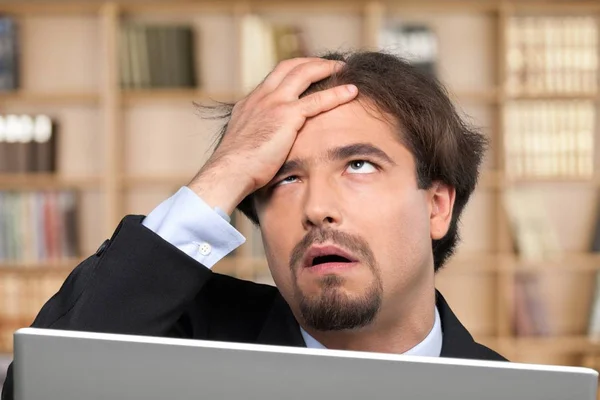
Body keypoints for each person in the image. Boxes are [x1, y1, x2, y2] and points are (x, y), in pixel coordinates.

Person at [1, 51, 505, 399]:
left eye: (359, 165)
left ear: (437, 206)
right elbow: (42, 385)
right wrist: (226, 170)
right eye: (284, 178)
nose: (317, 208)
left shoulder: (517, 391)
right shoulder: (178, 341)